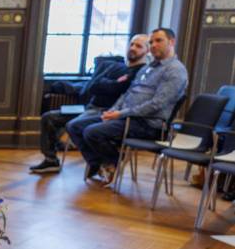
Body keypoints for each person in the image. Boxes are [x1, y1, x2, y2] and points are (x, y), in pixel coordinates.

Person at [68, 28, 188, 184]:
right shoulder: (148, 68)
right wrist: (112, 111)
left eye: (159, 41)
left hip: (148, 124)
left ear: (172, 42)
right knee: (74, 126)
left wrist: (121, 114)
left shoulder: (176, 71)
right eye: (151, 42)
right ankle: (99, 163)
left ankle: (113, 161)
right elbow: (127, 94)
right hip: (125, 117)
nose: (153, 45)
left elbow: (156, 104)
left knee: (92, 132)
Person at [30, 34, 149, 174]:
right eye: (132, 44)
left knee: (74, 125)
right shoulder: (114, 66)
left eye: (138, 46)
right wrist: (110, 83)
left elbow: (116, 89)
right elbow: (92, 86)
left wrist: (107, 83)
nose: (133, 48)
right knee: (48, 117)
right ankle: (51, 160)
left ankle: (96, 162)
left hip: (106, 111)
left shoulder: (140, 72)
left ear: (147, 51)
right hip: (88, 108)